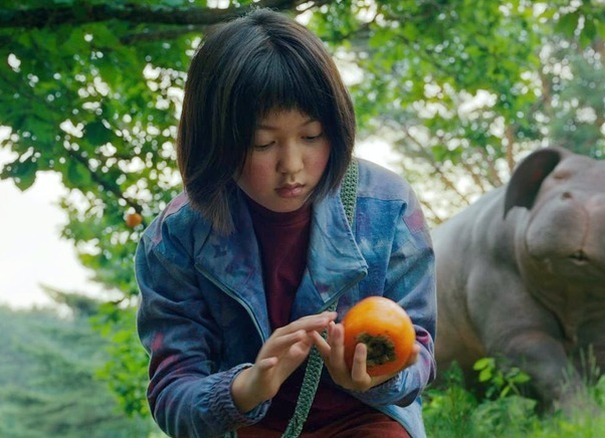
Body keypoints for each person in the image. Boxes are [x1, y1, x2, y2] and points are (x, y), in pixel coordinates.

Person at [134, 7, 436, 438]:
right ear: (215, 140)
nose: (292, 165)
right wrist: (246, 387)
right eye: (264, 143)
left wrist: (376, 378)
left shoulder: (386, 206)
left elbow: (420, 349)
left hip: (368, 421)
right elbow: (172, 394)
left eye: (311, 136)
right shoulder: (175, 239)